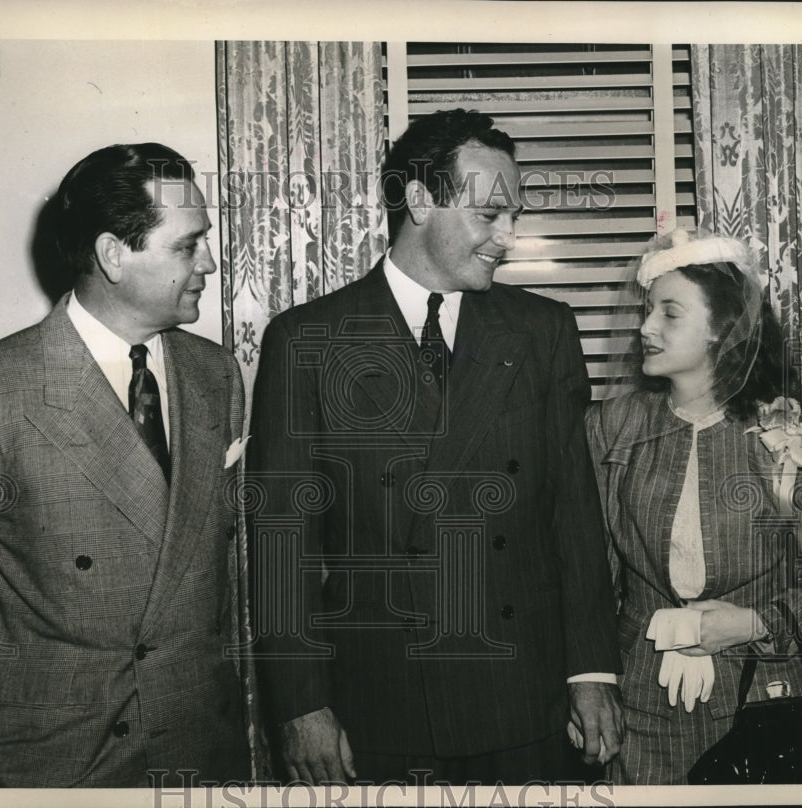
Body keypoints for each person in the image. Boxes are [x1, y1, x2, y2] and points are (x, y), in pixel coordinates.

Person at [246, 109, 622, 785]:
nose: (508, 238)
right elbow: (283, 544)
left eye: (514, 217)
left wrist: (590, 671)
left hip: (527, 697)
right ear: (421, 201)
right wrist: (301, 707)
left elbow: (574, 515)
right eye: (490, 215)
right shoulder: (306, 339)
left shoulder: (542, 330)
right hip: (379, 704)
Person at [0, 143, 250, 787]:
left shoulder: (215, 374)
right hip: (57, 762)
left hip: (202, 749)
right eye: (187, 245)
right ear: (114, 254)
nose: (210, 261)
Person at [584, 228, 802, 784]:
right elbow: (589, 575)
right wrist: (589, 686)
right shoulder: (612, 427)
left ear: (722, 330)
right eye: (648, 310)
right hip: (641, 711)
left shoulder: (791, 433)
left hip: (762, 706)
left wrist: (751, 623)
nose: (645, 327)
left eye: (669, 314)